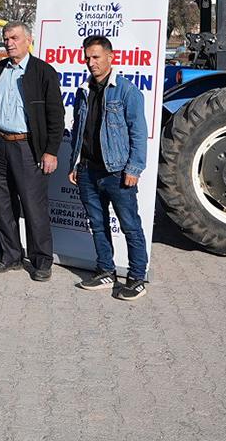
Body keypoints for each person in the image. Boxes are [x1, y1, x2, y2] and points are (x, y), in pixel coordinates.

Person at [69, 35, 150, 300]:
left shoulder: (126, 91)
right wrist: (75, 163)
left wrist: (134, 169)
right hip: (88, 170)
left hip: (117, 172)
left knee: (130, 226)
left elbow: (138, 133)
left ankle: (137, 277)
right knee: (97, 223)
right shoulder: (84, 90)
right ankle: (106, 270)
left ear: (110, 57)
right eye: (87, 57)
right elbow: (79, 130)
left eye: (96, 57)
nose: (91, 62)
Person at [0, 21, 62, 282]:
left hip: (28, 147)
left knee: (33, 206)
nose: (9, 43)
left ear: (28, 40)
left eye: (15, 38)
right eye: (6, 38)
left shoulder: (42, 72)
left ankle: (42, 261)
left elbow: (56, 115)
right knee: (2, 203)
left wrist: (50, 151)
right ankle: (11, 255)